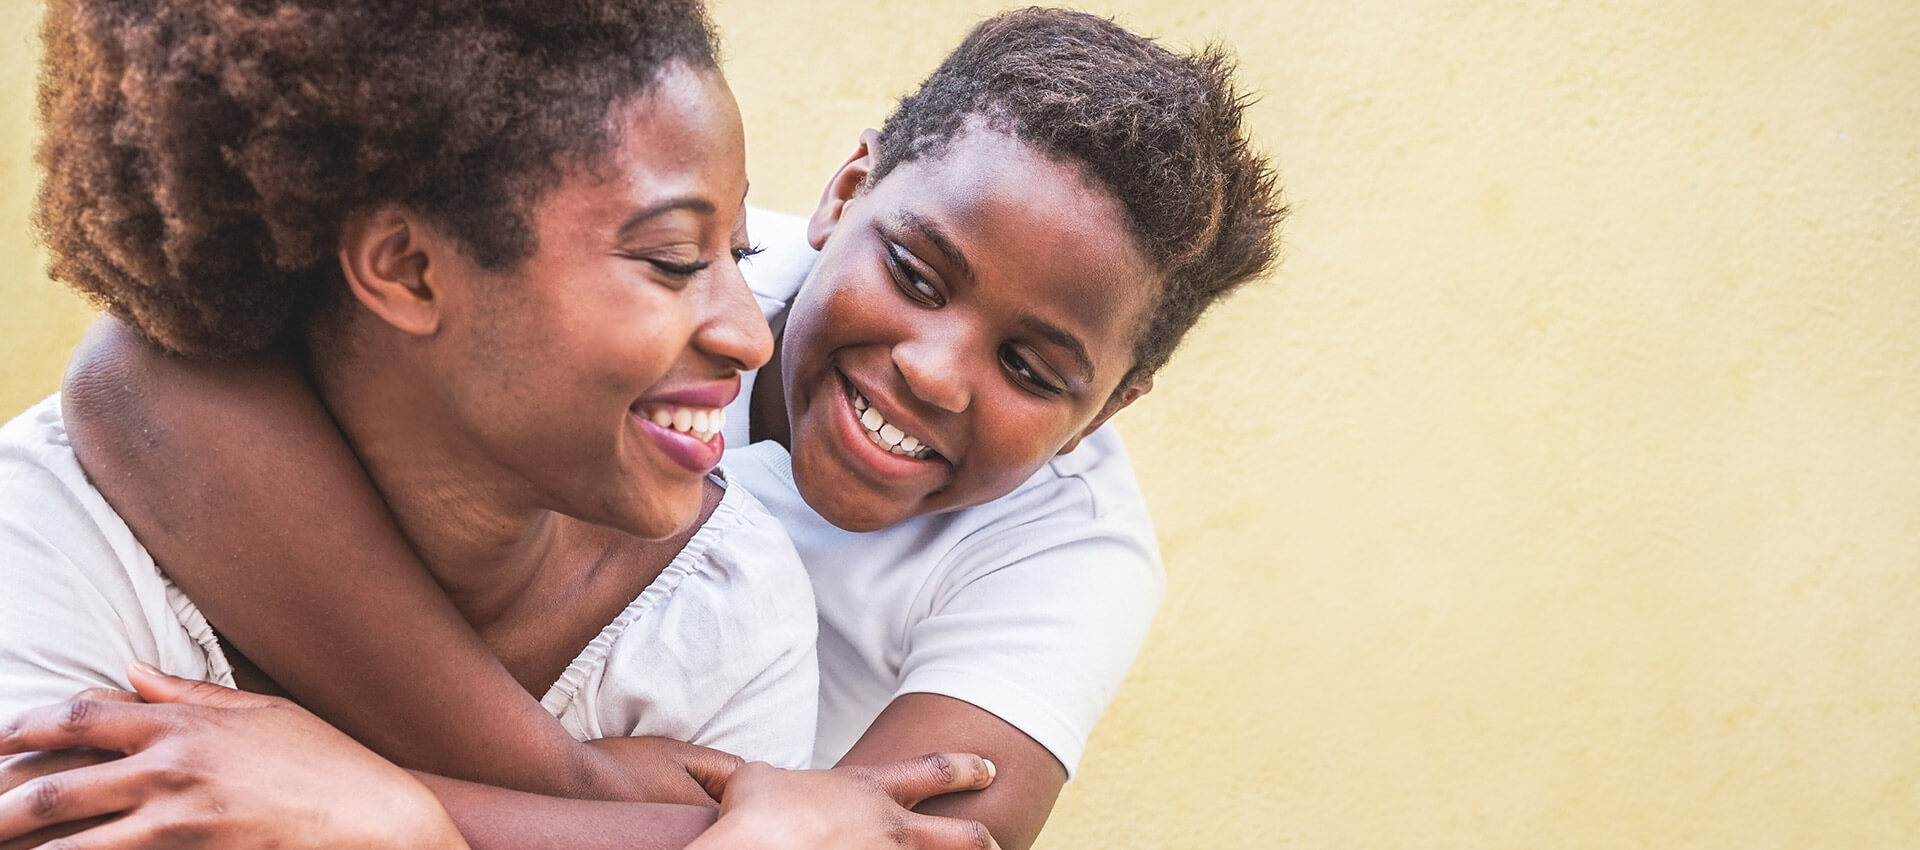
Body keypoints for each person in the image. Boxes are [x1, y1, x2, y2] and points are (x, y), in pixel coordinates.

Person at [10, 7, 1284, 850]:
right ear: (844, 193)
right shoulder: (634, 253)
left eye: (1031, 368)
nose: (935, 371)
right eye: (916, 274)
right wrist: (593, 798)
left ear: (1112, 406)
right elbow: (139, 380)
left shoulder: (1052, 561)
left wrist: (397, 814)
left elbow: (891, 841)